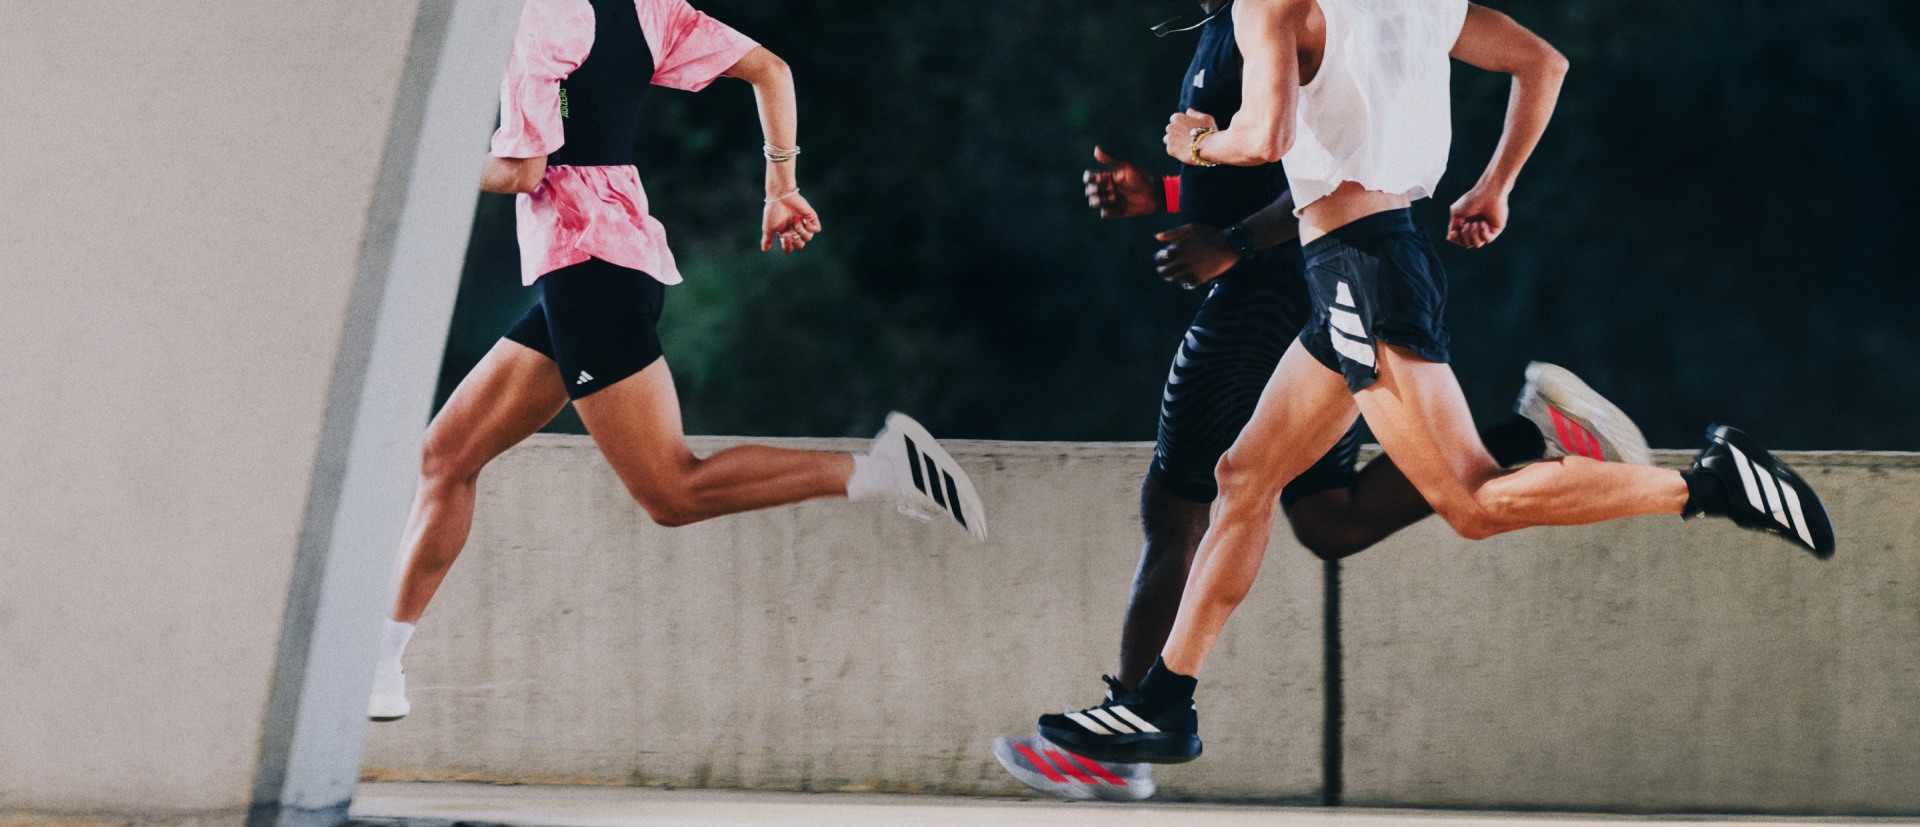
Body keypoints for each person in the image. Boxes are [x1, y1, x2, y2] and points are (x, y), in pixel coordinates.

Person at [1034, 0, 1834, 767]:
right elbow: (1541, 64)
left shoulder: (1271, 3)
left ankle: (1708, 484)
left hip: (1359, 274)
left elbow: (1265, 134)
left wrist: (1199, 143)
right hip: (1369, 263)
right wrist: (1496, 186)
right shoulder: (1416, 2)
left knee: (1475, 502)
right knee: (1244, 475)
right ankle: (1164, 701)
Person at [367, 0, 985, 722]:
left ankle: (883, 469)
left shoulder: (545, 19)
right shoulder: (647, 10)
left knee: (671, 490)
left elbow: (522, 169)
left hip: (587, 269)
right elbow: (771, 70)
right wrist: (780, 184)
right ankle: (380, 666)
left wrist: (410, 158)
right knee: (446, 457)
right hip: (607, 265)